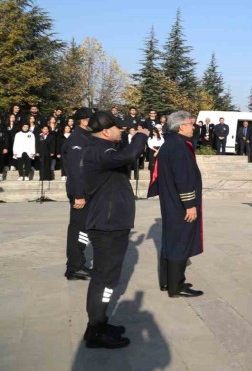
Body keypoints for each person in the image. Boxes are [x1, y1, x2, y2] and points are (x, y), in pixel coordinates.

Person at [80, 111, 149, 348]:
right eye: (118, 128)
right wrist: (141, 136)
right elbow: (129, 154)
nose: (122, 130)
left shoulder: (102, 149)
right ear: (105, 132)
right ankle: (96, 331)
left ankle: (98, 324)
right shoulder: (98, 151)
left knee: (107, 277)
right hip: (108, 226)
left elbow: (122, 155)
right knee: (105, 280)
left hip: (112, 223)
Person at [148, 111, 204, 299]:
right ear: (181, 127)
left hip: (171, 200)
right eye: (190, 123)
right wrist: (189, 204)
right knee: (180, 241)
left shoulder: (170, 143)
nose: (193, 126)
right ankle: (177, 286)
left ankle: (168, 282)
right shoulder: (179, 146)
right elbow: (183, 178)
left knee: (171, 241)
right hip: (180, 203)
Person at [61, 108, 94, 280]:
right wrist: (78, 195)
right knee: (77, 228)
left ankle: (78, 263)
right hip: (80, 192)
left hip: (86, 190)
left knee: (83, 228)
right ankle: (74, 267)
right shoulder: (77, 139)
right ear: (84, 121)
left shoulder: (86, 137)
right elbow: (75, 170)